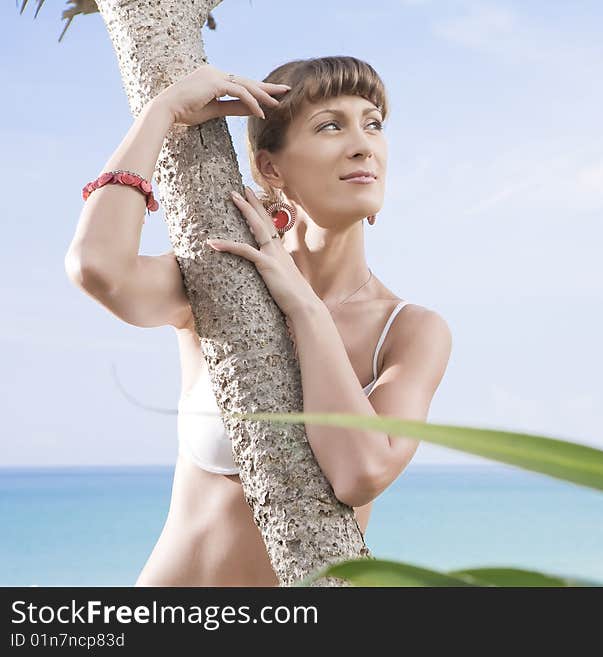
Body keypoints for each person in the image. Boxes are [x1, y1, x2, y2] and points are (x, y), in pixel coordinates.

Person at [64, 57, 453, 586]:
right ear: (271, 168)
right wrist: (161, 113)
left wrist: (305, 308)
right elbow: (97, 268)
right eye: (330, 125)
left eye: (373, 123)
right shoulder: (223, 277)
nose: (363, 144)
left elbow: (360, 472)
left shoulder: (409, 331)